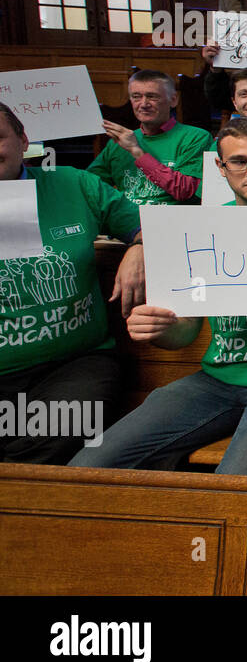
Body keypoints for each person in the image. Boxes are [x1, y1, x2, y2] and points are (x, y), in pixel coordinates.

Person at [71, 117, 247, 476]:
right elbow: (184, 332)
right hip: (215, 379)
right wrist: (160, 327)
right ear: (220, 166)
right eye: (239, 162)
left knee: (232, 482)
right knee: (89, 466)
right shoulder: (202, 228)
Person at [0, 103, 145, 464]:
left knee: (61, 430)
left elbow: (151, 227)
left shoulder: (75, 183)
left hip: (73, 364)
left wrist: (140, 248)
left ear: (23, 140)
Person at [88, 70, 209, 206]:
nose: (144, 104)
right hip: (126, 223)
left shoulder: (196, 137)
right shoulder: (118, 142)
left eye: (152, 97)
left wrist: (136, 151)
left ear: (173, 100)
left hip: (172, 221)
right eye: (136, 97)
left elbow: (184, 191)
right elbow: (89, 187)